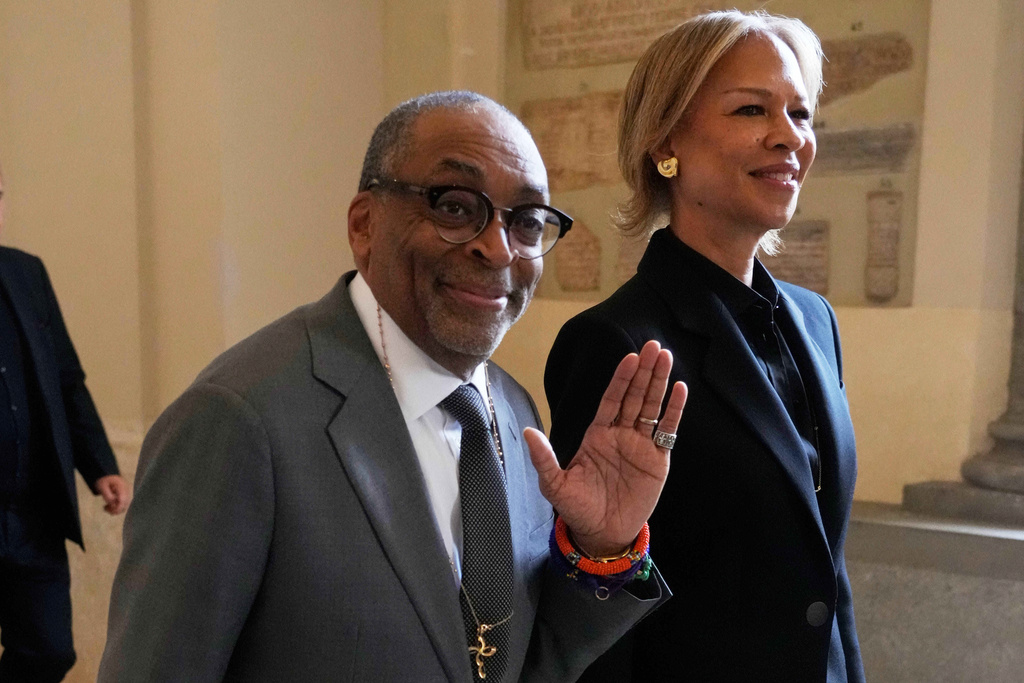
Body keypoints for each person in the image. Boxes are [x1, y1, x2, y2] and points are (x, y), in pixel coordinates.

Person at [99, 91, 687, 682]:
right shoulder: (240, 419)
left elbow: (502, 661)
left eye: (528, 221)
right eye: (456, 208)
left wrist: (604, 546)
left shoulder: (512, 408)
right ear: (365, 224)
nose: (497, 247)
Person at [545, 10, 865, 683]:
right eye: (752, 110)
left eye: (801, 115)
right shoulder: (615, 340)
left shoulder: (815, 321)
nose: (790, 138)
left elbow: (826, 573)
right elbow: (595, 610)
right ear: (667, 143)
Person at [0, 161, 130, 681]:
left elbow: (65, 378)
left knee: (51, 649)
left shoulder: (26, 272)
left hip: (31, 510)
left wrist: (100, 465)